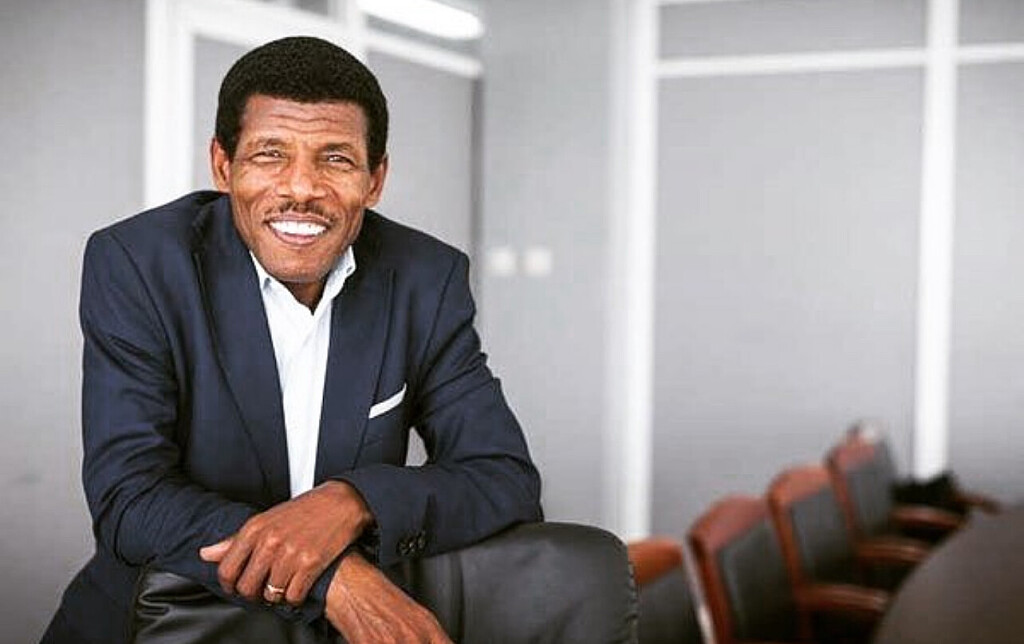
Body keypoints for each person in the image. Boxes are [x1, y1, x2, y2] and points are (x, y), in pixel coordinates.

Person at [42, 36, 542, 643]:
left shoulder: (424, 279)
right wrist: (333, 578)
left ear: (375, 179)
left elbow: (503, 476)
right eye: (270, 154)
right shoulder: (140, 264)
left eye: (336, 159)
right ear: (223, 165)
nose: (301, 187)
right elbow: (130, 496)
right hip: (156, 624)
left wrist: (350, 501)